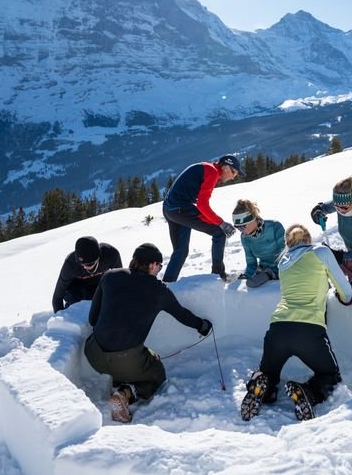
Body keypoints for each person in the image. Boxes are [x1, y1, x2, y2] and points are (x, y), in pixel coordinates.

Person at [84, 243, 213, 423]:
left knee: (125, 354)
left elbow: (93, 319)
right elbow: (181, 314)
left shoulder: (109, 276)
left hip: (93, 354)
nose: (159, 270)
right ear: (152, 265)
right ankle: (124, 394)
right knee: (156, 372)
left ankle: (117, 380)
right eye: (160, 266)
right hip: (127, 359)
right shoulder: (158, 290)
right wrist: (203, 326)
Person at [240, 224, 352, 422]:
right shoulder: (321, 252)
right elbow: (346, 291)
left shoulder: (283, 261)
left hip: (278, 329)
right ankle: (307, 392)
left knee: (268, 373)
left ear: (287, 244)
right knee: (330, 375)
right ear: (308, 239)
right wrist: (345, 297)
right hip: (309, 331)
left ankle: (262, 388)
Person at [162, 154, 244, 282]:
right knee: (219, 233)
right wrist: (221, 223)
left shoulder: (208, 168)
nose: (233, 177)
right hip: (180, 209)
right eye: (234, 173)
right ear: (227, 168)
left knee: (181, 251)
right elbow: (202, 204)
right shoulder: (212, 172)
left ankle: (167, 283)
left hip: (170, 210)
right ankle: (218, 276)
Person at [310, 176, 352, 279]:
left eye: (343, 207)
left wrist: (340, 256)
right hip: (351, 254)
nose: (340, 210)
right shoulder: (342, 203)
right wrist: (317, 212)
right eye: (336, 206)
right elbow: (324, 208)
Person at [52, 236, 122, 313]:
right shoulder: (70, 264)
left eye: (89, 264)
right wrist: (59, 319)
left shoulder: (111, 254)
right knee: (77, 307)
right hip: (77, 289)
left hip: (99, 284)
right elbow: (57, 297)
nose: (85, 267)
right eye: (82, 264)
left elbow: (120, 282)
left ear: (99, 258)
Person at [232, 199, 286, 288]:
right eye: (238, 228)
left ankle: (270, 274)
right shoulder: (245, 238)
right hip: (263, 268)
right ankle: (267, 274)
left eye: (242, 227)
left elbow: (286, 254)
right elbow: (251, 262)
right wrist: (247, 276)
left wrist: (276, 271)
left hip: (283, 266)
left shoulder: (274, 227)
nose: (241, 231)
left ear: (252, 219)